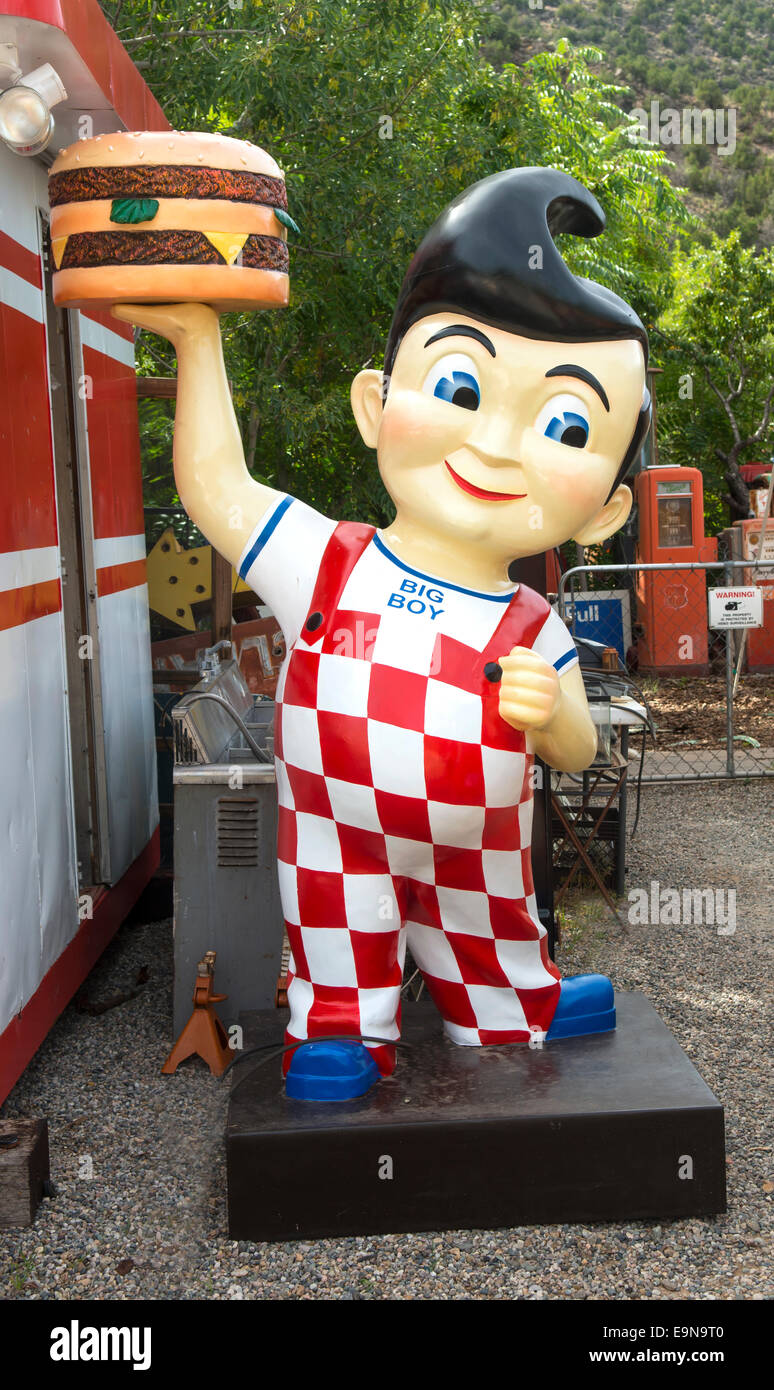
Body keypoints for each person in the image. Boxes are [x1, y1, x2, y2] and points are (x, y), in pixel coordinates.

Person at [115, 166, 651, 1099]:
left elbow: (576, 744)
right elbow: (219, 489)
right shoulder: (327, 560)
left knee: (495, 927)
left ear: (604, 512)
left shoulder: (529, 620)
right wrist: (200, 344)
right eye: (458, 383)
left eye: (565, 427)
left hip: (476, 840)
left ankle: (518, 999)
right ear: (376, 404)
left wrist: (549, 712)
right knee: (336, 923)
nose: (494, 444)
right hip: (338, 828)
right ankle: (340, 1028)